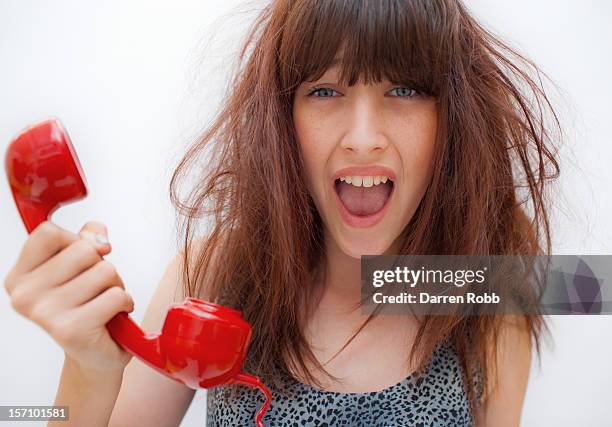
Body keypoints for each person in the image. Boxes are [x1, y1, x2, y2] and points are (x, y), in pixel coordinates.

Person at [3, 0, 561, 425]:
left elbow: (585, 285)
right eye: (323, 91)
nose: (363, 139)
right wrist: (89, 368)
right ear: (282, 120)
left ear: (454, 116)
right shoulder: (216, 271)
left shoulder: (488, 279)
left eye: (406, 88)